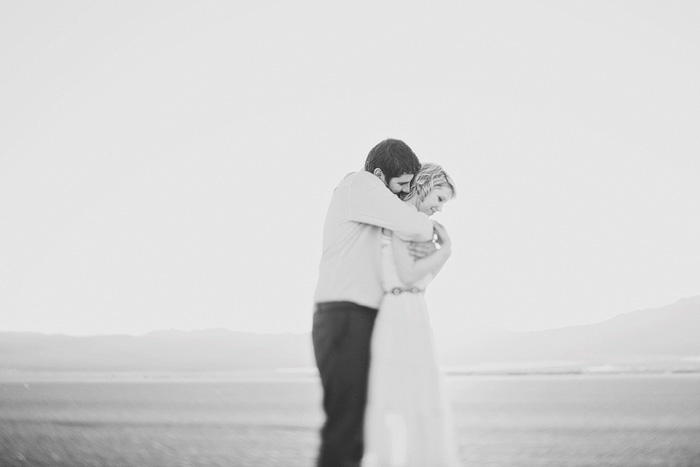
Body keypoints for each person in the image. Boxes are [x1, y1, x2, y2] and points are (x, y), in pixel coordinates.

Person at [312, 139, 437, 467]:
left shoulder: (374, 203)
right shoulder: (360, 184)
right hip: (344, 314)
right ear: (379, 174)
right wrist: (433, 230)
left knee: (358, 424)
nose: (403, 193)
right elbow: (415, 226)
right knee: (345, 423)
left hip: (357, 315)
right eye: (400, 184)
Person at [363, 163, 460, 467]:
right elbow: (408, 275)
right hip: (398, 312)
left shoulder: (411, 222)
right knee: (399, 396)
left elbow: (421, 282)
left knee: (416, 395)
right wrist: (445, 251)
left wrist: (435, 256)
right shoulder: (406, 220)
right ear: (425, 185)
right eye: (440, 198)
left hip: (412, 308)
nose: (441, 209)